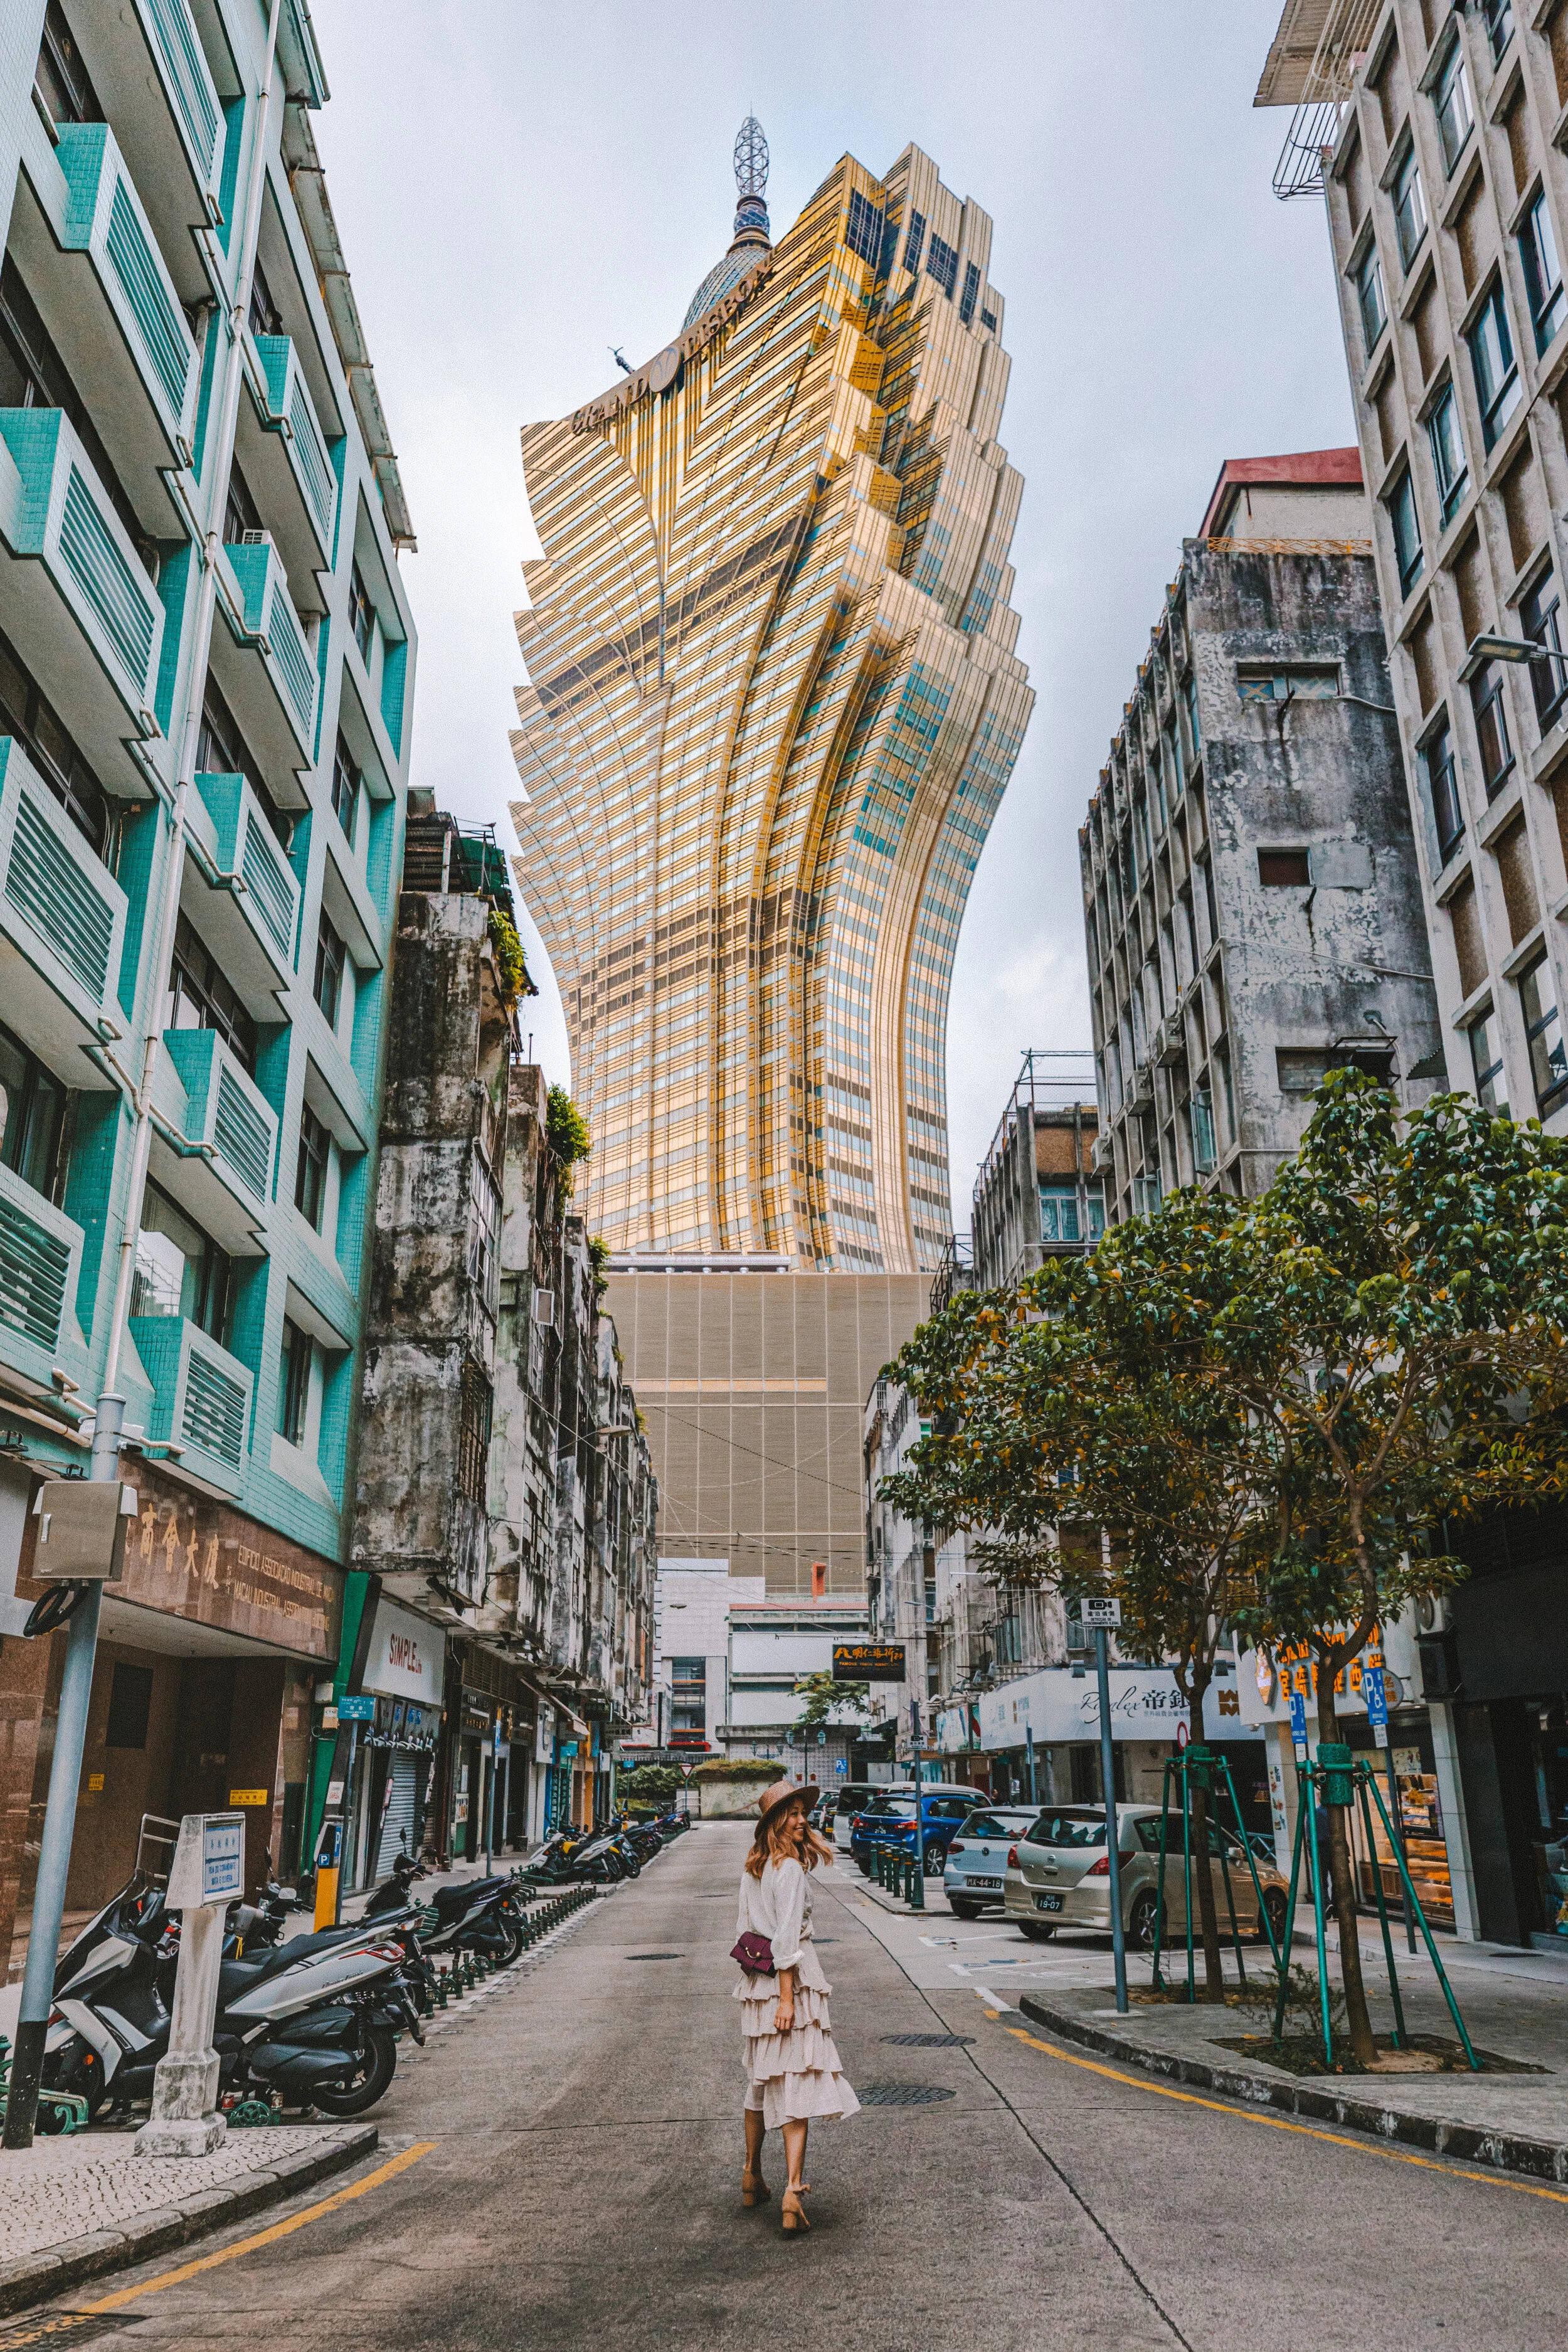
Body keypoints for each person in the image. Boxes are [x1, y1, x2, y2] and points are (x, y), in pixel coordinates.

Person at [734, 1778, 859, 2233]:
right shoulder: (787, 1868)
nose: (802, 1820)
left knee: (760, 2081)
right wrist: (787, 1999)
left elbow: (745, 1930)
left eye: (803, 1813)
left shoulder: (754, 1866)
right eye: (792, 1814)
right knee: (796, 2086)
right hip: (790, 1984)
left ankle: (751, 2176)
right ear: (775, 1823)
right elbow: (786, 1940)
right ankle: (792, 2192)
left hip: (757, 1983)